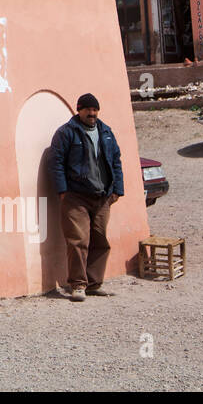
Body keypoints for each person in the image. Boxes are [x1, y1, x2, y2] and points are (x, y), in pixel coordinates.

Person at [48, 93, 125, 302]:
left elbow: (116, 160)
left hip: (102, 196)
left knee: (100, 240)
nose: (92, 114)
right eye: (88, 110)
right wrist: (63, 191)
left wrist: (118, 189)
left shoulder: (106, 132)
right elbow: (56, 163)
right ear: (79, 110)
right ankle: (78, 285)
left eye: (95, 110)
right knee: (78, 240)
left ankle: (94, 283)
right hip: (76, 196)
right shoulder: (66, 133)